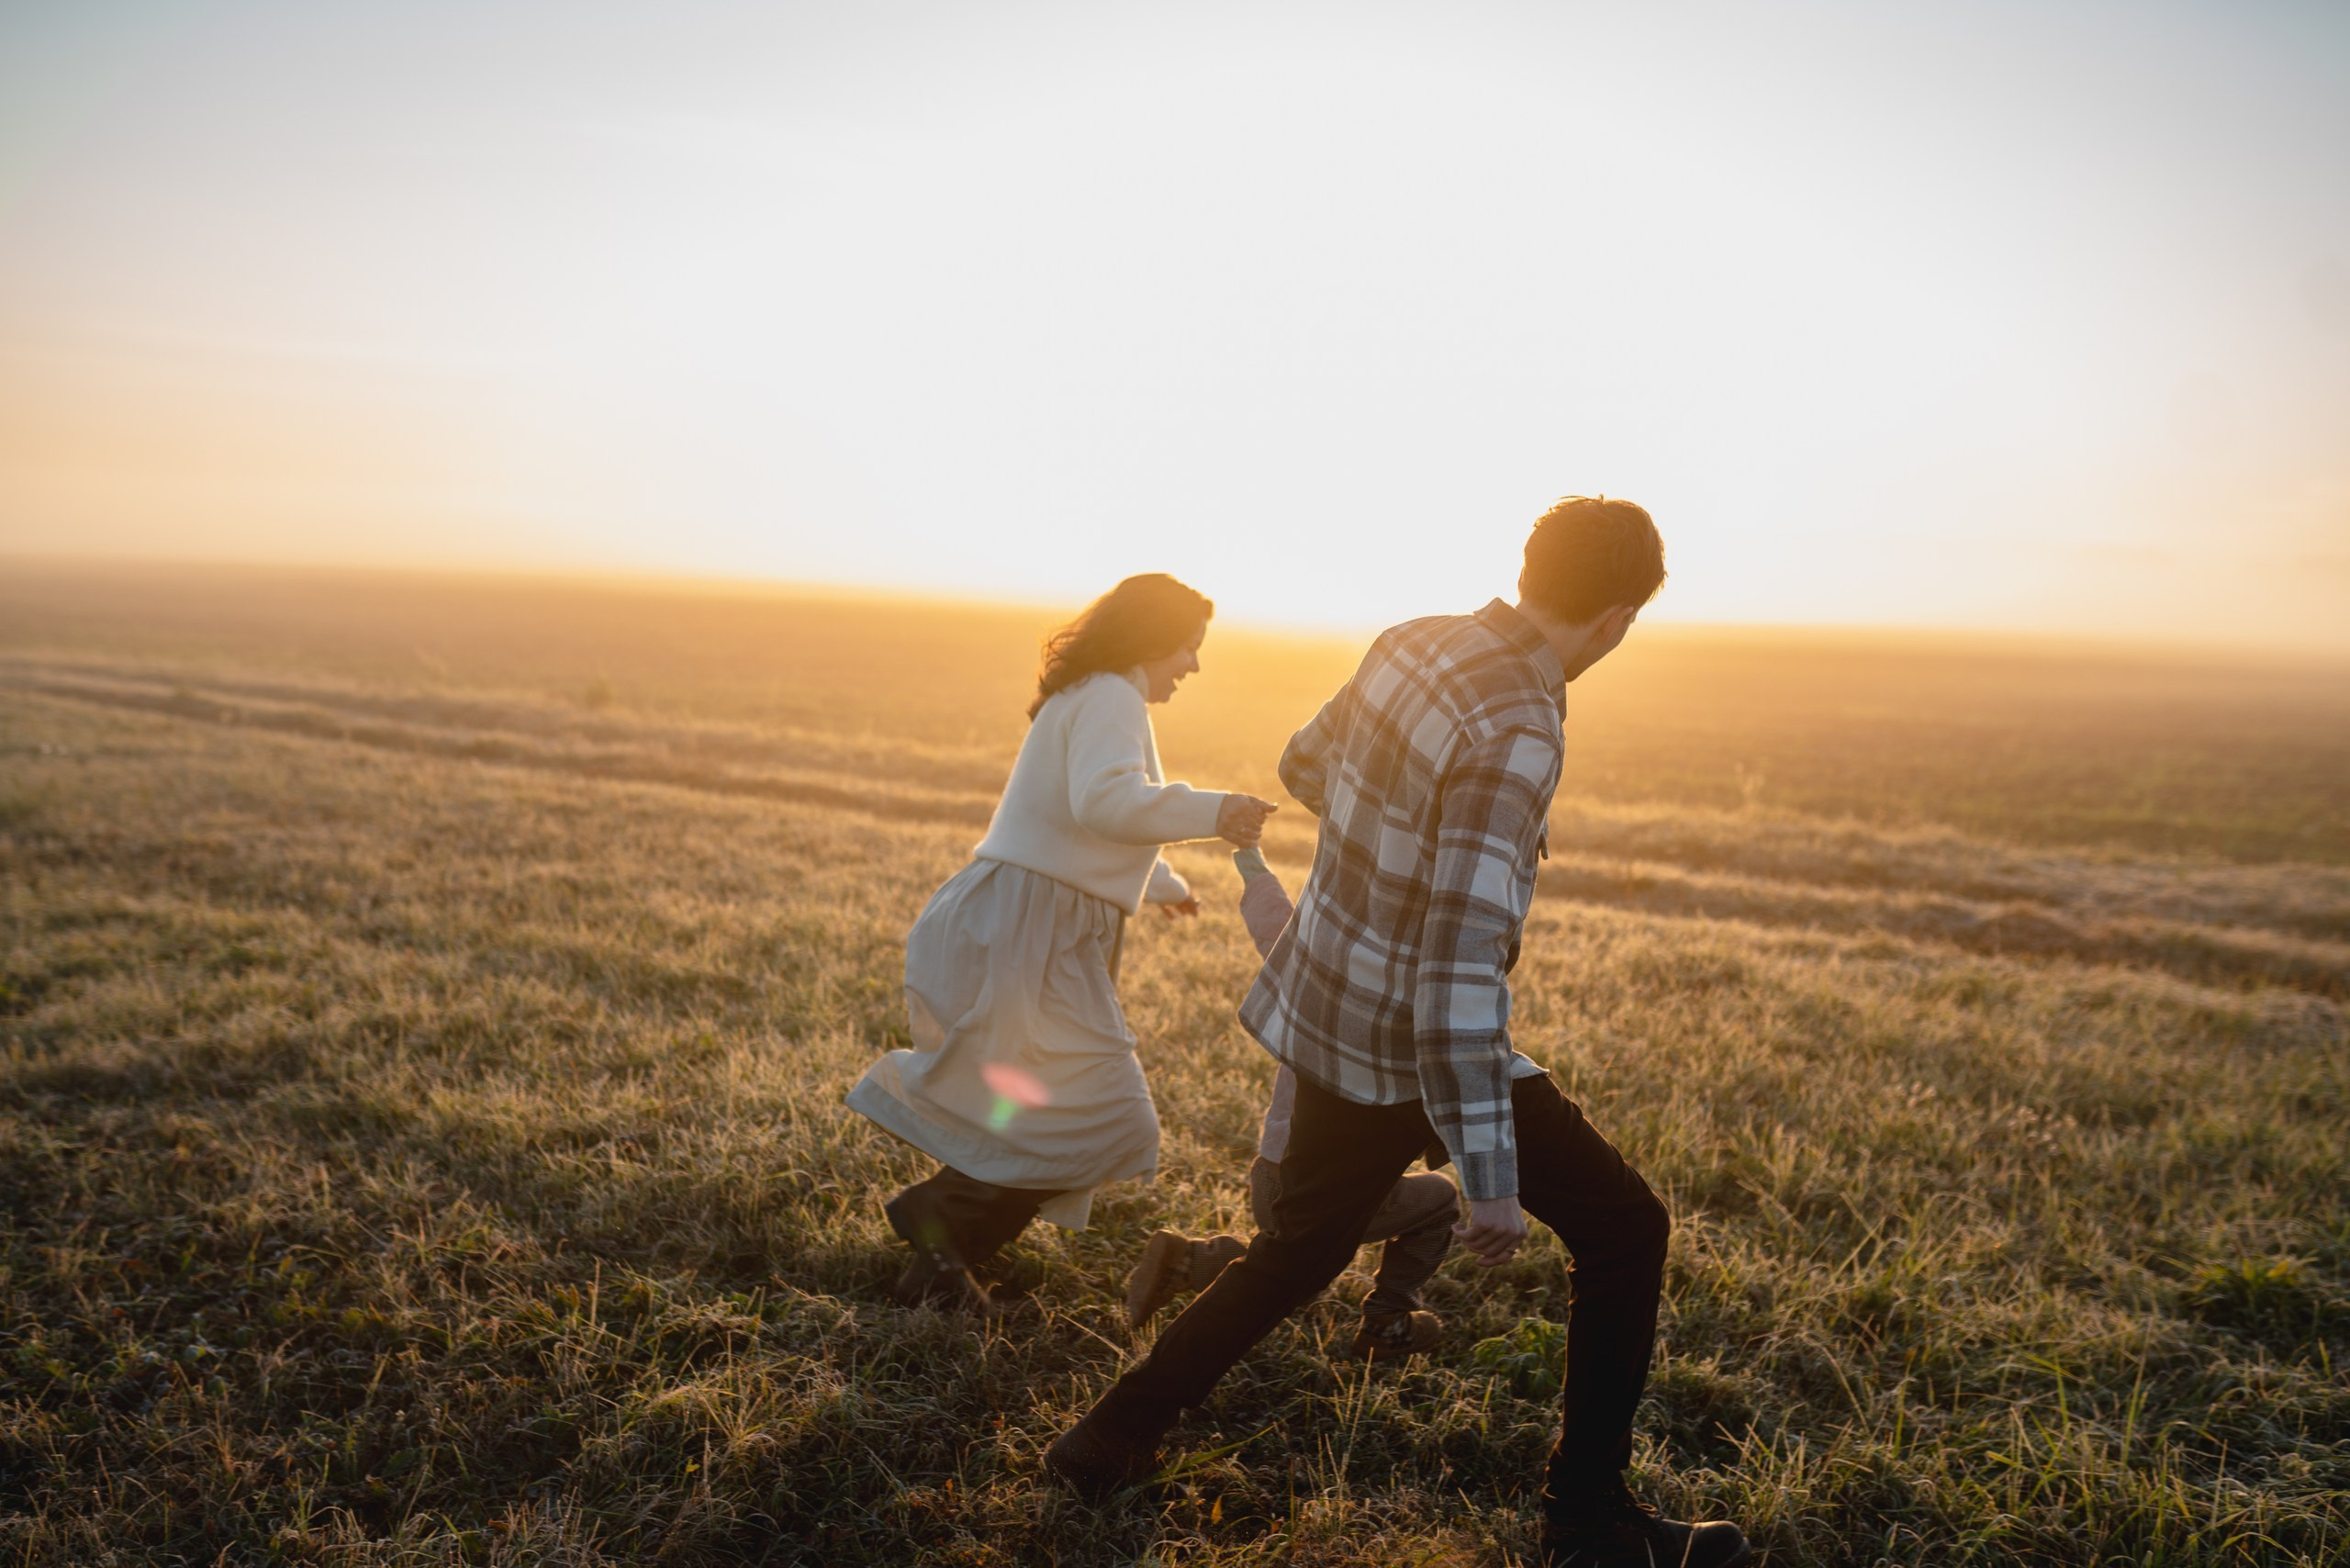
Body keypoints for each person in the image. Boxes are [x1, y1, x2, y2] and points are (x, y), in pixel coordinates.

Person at [1046, 500, 1752, 1568]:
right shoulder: (1519, 725)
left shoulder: (1412, 637)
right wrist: (1491, 1172)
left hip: (1334, 1005)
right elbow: (1457, 966)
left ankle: (1107, 1436)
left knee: (1299, 1253)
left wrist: (1383, 835)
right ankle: (1589, 1527)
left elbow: (1300, 763)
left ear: (1529, 569)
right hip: (1415, 1034)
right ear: (1614, 619)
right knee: (1624, 1230)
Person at [847, 573, 1278, 1311]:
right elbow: (1106, 801)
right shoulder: (1111, 691)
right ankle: (941, 1223)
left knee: (1053, 1105)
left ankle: (940, 1268)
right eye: (1188, 648)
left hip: (1033, 919)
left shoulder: (1091, 693)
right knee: (1110, 1114)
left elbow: (1081, 819)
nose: (1193, 667)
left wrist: (1165, 885)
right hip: (1031, 928)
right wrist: (1220, 809)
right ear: (1153, 639)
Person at [1123, 846, 1458, 1363]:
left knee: (1287, 1270)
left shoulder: (1314, 964)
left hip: (1272, 1172)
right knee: (1440, 1202)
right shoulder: (1413, 1005)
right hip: (1332, 1187)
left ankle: (1190, 1259)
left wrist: (1251, 863)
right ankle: (1387, 1321)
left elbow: (1274, 924)